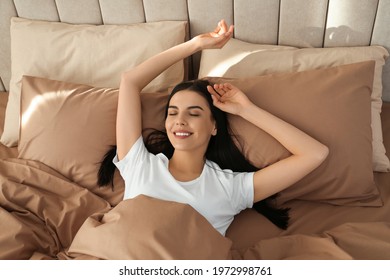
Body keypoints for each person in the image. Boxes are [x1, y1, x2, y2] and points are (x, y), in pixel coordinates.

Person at [98, 20, 329, 236]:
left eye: (194, 113)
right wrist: (195, 45)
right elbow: (130, 81)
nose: (180, 120)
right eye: (173, 112)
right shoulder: (139, 163)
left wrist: (246, 110)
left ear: (214, 126)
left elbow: (314, 153)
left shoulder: (230, 189)